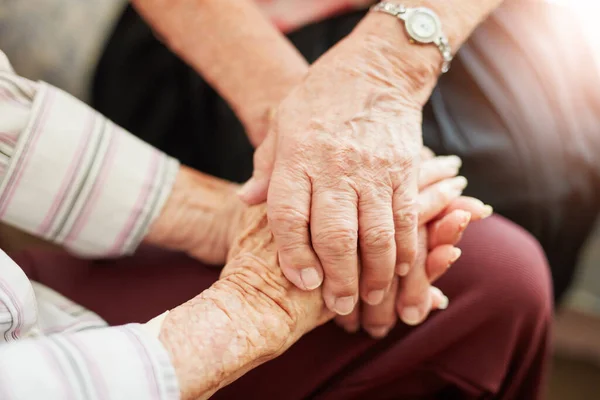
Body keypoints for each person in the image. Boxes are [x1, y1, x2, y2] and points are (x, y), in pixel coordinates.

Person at [94, 0, 600, 305]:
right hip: (228, 31)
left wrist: (390, 63)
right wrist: (300, 116)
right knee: (324, 236)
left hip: (463, 19)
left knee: (534, 190)